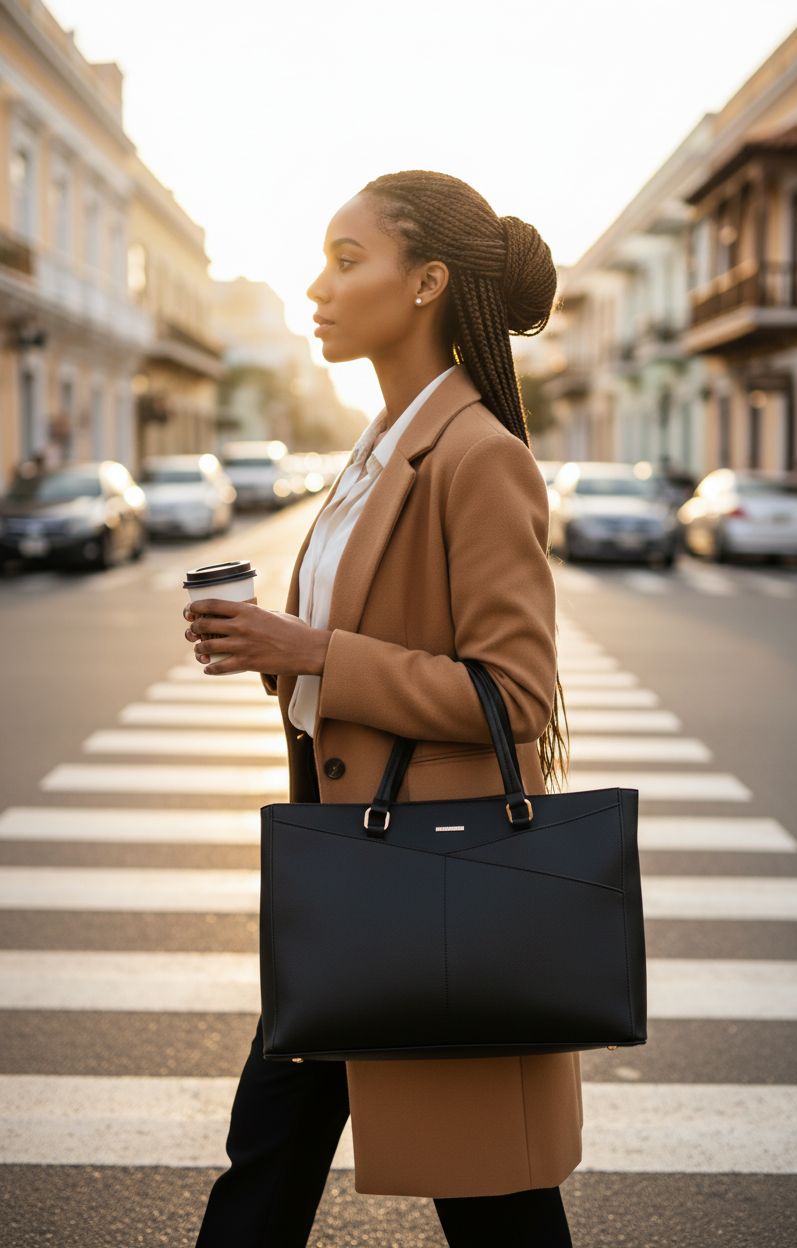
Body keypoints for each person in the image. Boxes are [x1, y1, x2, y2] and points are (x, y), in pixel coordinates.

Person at [184, 170, 576, 1246]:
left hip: (427, 891)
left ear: (426, 283)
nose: (318, 286)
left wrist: (313, 650)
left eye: (347, 260)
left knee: (493, 1205)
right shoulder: (375, 453)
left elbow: (515, 694)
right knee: (265, 1167)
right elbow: (368, 651)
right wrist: (274, 653)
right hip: (350, 882)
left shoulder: (478, 455)